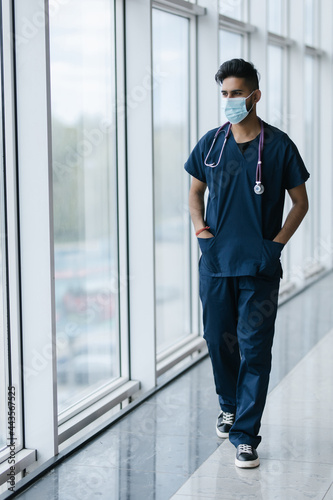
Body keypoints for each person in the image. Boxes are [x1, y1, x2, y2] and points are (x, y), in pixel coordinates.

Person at [184, 59, 309, 469]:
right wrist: (201, 231)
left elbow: (300, 203)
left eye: (237, 93)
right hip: (216, 265)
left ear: (255, 94)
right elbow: (194, 193)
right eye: (224, 94)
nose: (230, 101)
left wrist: (274, 246)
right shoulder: (211, 144)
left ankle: (246, 436)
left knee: (255, 350)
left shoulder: (278, 146)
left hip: (258, 268)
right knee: (219, 342)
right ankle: (229, 405)